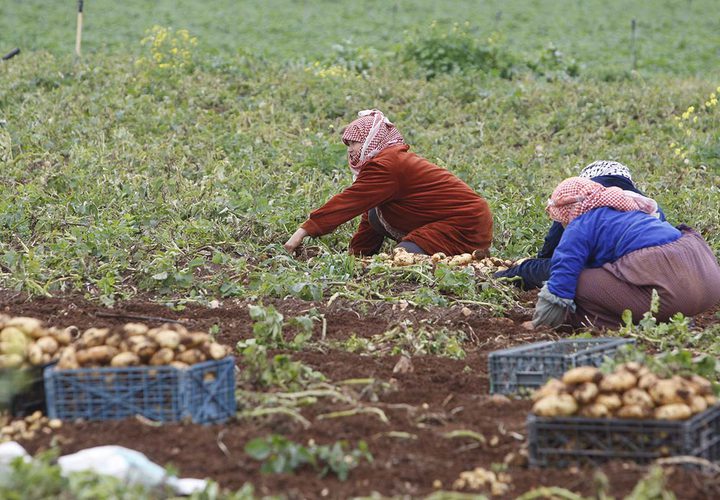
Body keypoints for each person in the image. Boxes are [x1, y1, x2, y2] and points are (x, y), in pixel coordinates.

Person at [284, 109, 493, 257]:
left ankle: (460, 252)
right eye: (347, 144)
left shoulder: (387, 165)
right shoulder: (387, 160)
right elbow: (368, 211)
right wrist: (357, 255)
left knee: (404, 259)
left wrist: (304, 230)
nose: (349, 149)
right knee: (377, 214)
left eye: (354, 143)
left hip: (465, 223)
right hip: (452, 218)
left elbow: (350, 201)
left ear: (369, 140)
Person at [531, 177, 720, 329]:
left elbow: (562, 278)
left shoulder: (580, 224)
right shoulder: (629, 211)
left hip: (671, 287)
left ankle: (646, 324)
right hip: (706, 277)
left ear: (566, 212)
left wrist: (540, 323)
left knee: (578, 282)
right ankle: (674, 320)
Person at [494, 161, 665, 290]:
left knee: (530, 269)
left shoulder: (583, 200)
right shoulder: (647, 204)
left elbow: (552, 251)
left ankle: (495, 279)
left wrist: (530, 266)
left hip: (616, 272)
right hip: (658, 271)